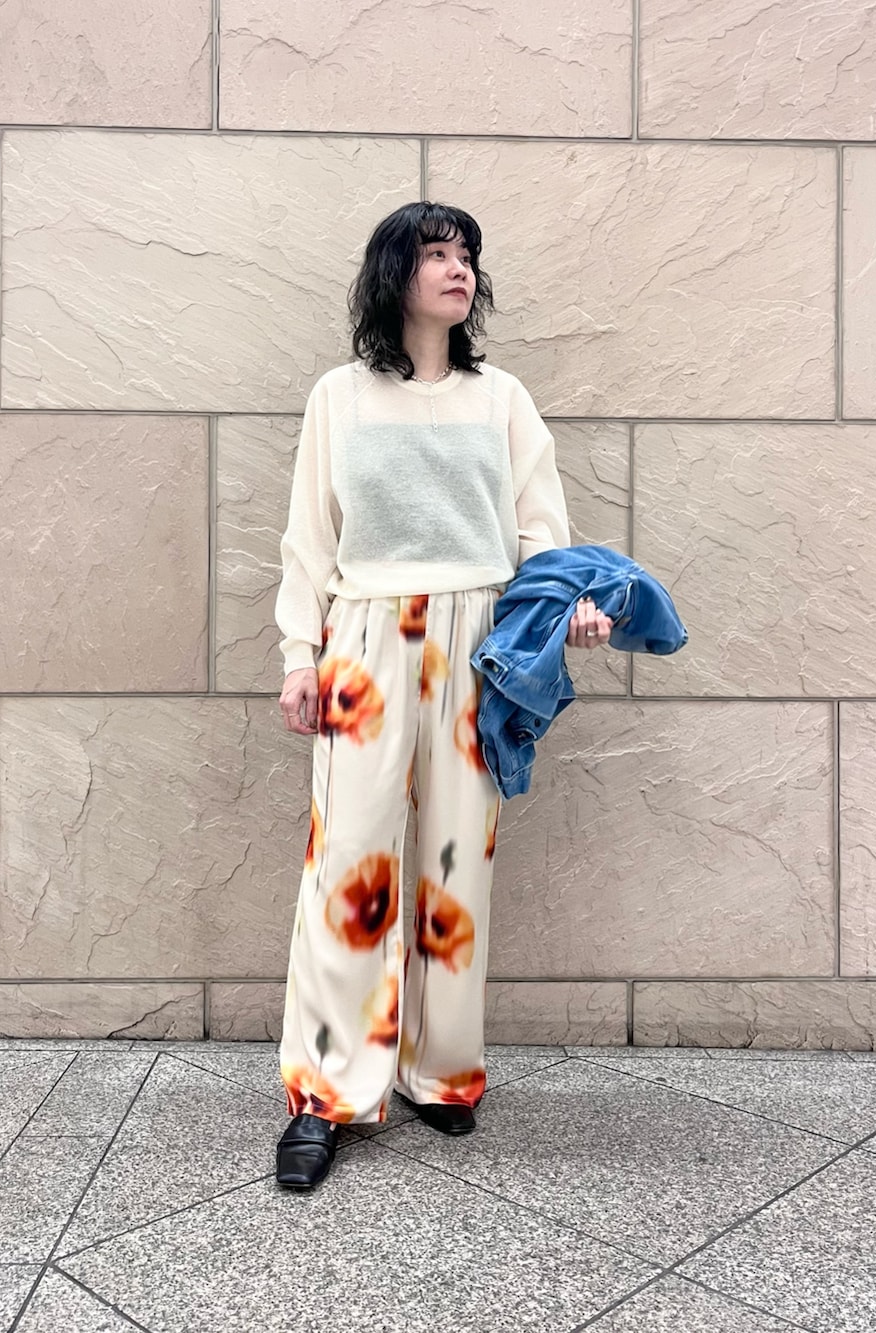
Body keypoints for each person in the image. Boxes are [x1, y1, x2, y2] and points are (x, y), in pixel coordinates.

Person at [274, 201, 611, 1190]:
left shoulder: (500, 398)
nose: (457, 269)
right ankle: (325, 1093)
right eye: (435, 253)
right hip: (364, 638)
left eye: (466, 254)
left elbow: (540, 533)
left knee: (457, 862)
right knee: (349, 863)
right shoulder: (339, 396)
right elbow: (309, 536)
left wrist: (568, 609)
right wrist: (300, 653)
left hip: (478, 641)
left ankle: (440, 1072)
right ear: (396, 274)